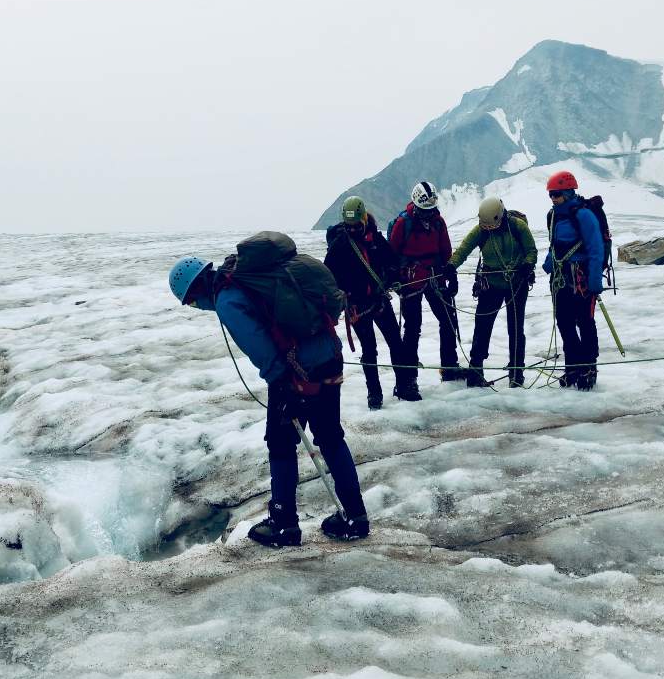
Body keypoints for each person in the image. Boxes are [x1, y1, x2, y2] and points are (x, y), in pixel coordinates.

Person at [168, 241, 370, 547]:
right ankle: (355, 516)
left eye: (191, 303)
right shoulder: (243, 277)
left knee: (280, 442)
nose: (195, 307)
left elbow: (260, 346)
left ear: (194, 293)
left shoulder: (227, 300)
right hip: (328, 354)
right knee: (330, 436)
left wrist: (283, 385)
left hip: (299, 371)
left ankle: (284, 523)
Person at [325, 196, 421, 409]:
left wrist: (396, 277)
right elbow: (328, 277)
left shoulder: (375, 239)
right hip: (357, 307)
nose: (352, 230)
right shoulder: (340, 245)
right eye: (349, 227)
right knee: (369, 349)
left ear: (364, 219)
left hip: (377, 300)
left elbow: (392, 262)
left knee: (396, 342)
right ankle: (374, 394)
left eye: (356, 226)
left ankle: (404, 385)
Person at [449, 196, 537, 387]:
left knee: (515, 328)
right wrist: (451, 266)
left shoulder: (517, 227)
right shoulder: (482, 229)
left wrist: (527, 265)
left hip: (517, 284)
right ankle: (476, 370)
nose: (487, 229)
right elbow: (464, 249)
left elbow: (531, 251)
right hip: (491, 284)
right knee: (482, 326)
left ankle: (516, 372)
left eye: (490, 226)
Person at [388, 181, 464, 381]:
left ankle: (449, 366)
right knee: (413, 327)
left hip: (434, 276)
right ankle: (409, 377)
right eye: (424, 210)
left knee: (448, 320)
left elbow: (445, 250)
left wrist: (451, 273)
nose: (428, 213)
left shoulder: (437, 221)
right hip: (411, 280)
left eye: (430, 209)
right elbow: (392, 254)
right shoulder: (403, 224)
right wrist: (394, 278)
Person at [541, 171, 604, 390]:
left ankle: (588, 368)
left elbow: (596, 248)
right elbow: (555, 245)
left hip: (581, 278)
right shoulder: (553, 216)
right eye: (550, 195)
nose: (553, 198)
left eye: (556, 194)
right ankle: (573, 367)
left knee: (585, 323)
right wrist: (549, 264)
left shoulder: (584, 215)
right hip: (561, 277)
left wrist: (595, 281)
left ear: (568, 192)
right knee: (565, 323)